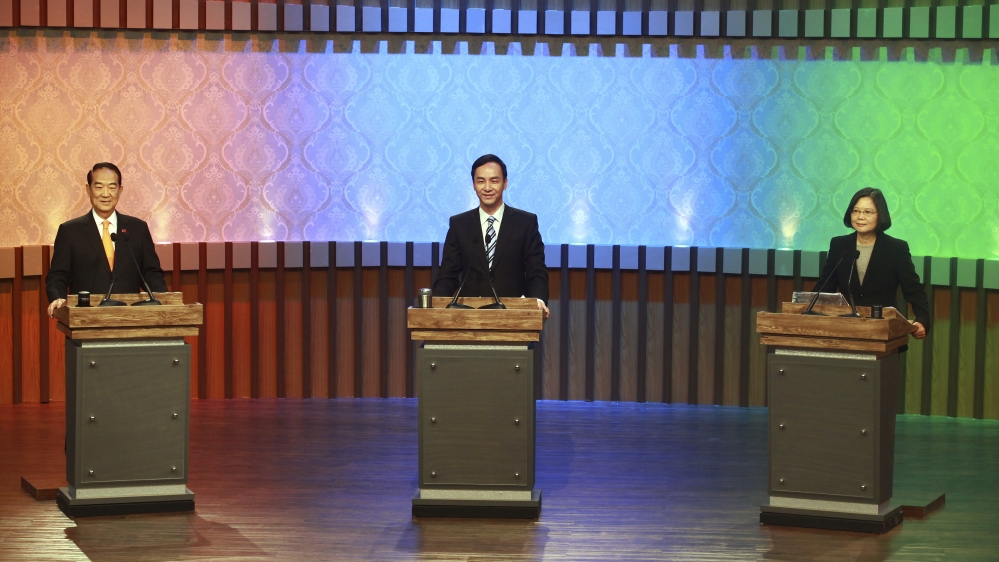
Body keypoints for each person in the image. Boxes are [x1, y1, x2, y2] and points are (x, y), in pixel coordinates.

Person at [433, 154, 550, 318]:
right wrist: (436, 305)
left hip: (513, 315)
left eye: (494, 181)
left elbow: (536, 271)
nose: (487, 188)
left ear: (505, 183)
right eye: (481, 181)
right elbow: (448, 275)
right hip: (470, 316)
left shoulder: (525, 223)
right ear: (474, 185)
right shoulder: (459, 224)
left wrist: (538, 299)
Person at [46, 162, 167, 317]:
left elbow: (151, 273)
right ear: (88, 189)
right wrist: (57, 297)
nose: (105, 194)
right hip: (86, 317)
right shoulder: (70, 231)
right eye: (98, 187)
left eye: (111, 187)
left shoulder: (138, 228)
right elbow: (58, 275)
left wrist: (165, 301)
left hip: (130, 317)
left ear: (120, 190)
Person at [815, 187, 929, 339]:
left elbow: (913, 290)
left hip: (883, 331)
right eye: (856, 211)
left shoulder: (895, 248)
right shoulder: (839, 245)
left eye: (868, 212)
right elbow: (825, 287)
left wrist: (922, 320)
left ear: (880, 215)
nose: (860, 217)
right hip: (844, 330)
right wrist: (802, 309)